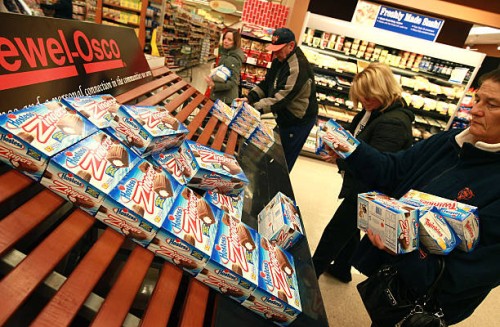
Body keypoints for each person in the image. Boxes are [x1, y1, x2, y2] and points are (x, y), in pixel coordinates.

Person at [325, 68, 500, 325]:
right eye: (478, 99)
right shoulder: (449, 141)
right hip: (392, 276)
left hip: (426, 303)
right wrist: (352, 150)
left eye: (492, 104)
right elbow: (394, 170)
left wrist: (404, 248)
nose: (475, 110)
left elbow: (474, 271)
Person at [312, 62, 415, 281]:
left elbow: (377, 167)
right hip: (360, 183)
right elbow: (355, 140)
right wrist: (339, 149)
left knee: (335, 232)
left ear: (383, 91)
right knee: (351, 229)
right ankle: (342, 268)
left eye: (368, 97)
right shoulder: (374, 109)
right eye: (361, 98)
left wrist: (343, 160)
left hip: (369, 190)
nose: (363, 103)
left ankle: (308, 277)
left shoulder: (394, 124)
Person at [240, 27, 318, 171]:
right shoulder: (280, 60)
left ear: (291, 46)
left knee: (283, 160)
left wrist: (253, 108)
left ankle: (279, 189)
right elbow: (267, 83)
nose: (275, 53)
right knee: (274, 153)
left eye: (279, 49)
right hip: (285, 115)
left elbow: (280, 99)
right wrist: (249, 98)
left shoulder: (298, 68)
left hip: (298, 120)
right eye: (274, 49)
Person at [204, 29, 245, 105]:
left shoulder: (233, 59)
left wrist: (214, 85)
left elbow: (233, 82)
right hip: (220, 97)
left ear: (235, 43)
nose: (225, 41)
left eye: (229, 40)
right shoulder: (226, 53)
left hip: (224, 100)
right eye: (225, 38)